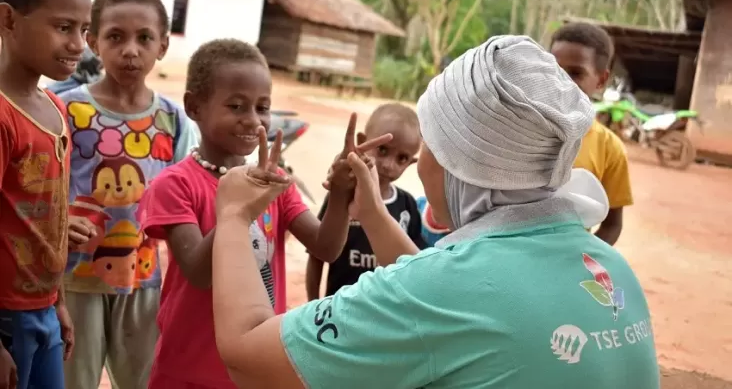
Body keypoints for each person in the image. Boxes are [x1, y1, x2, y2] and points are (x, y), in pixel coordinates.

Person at [209, 35, 660, 389]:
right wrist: (371, 213)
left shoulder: (447, 289)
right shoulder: (608, 265)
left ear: (452, 158)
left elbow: (248, 357)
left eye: (428, 141)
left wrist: (232, 214)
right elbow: (441, 287)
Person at [135, 38, 389, 388]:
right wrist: (236, 210)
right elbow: (196, 271)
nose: (253, 121)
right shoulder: (175, 184)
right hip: (187, 369)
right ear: (194, 106)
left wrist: (344, 191)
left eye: (263, 108)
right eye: (237, 106)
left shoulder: (275, 183)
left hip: (254, 369)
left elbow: (326, 247)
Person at [58, 0, 199, 389]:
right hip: (73, 277)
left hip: (145, 279)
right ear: (92, 42)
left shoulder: (173, 120)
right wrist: (60, 222)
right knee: (73, 380)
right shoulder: (67, 110)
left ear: (163, 45)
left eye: (144, 38)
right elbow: (43, 186)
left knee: (142, 381)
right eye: (115, 37)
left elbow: (185, 196)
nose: (131, 50)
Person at [0, 0, 96, 389]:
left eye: (83, 29)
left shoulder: (56, 109)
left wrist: (55, 301)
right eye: (62, 28)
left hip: (43, 308)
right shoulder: (3, 117)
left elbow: (48, 213)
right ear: (8, 20)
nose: (78, 44)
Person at [306, 103, 425, 300]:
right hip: (339, 310)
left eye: (402, 158)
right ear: (362, 141)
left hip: (387, 314)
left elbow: (415, 263)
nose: (388, 165)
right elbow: (317, 255)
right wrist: (312, 302)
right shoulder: (341, 197)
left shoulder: (407, 206)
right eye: (383, 150)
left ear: (411, 162)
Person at [550, 22, 633, 245]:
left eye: (575, 73)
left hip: (565, 259)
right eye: (554, 69)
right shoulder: (515, 128)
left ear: (601, 80)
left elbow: (613, 224)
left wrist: (582, 259)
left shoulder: (609, 148)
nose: (561, 80)